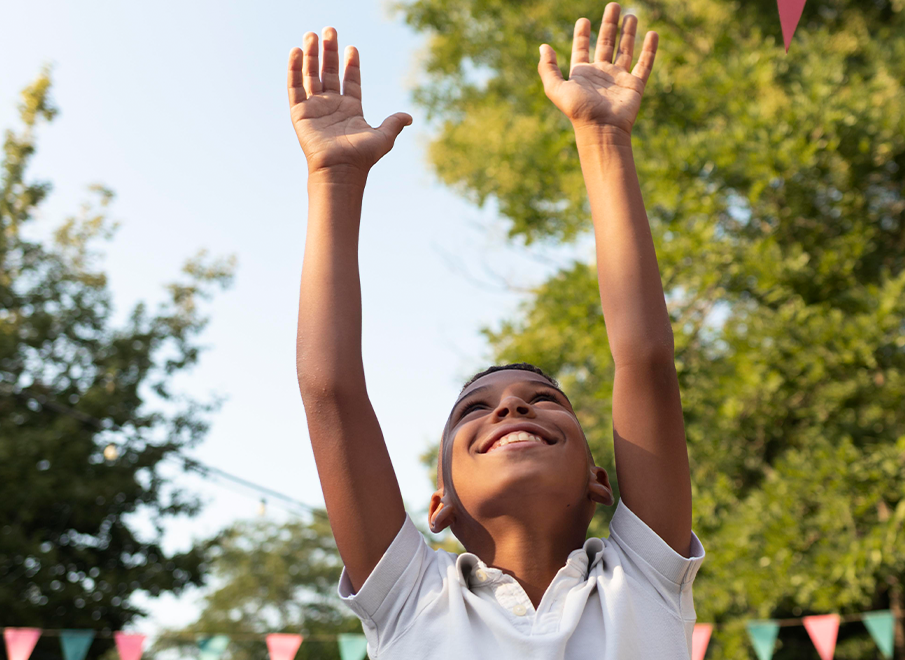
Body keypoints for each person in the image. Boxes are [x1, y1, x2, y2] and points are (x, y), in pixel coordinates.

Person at [288, 3, 701, 658]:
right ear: (439, 507)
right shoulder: (408, 597)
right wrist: (332, 178)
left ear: (602, 481)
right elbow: (329, 390)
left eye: (544, 402)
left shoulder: (644, 577)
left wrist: (603, 141)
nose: (510, 405)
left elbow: (645, 356)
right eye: (473, 411)